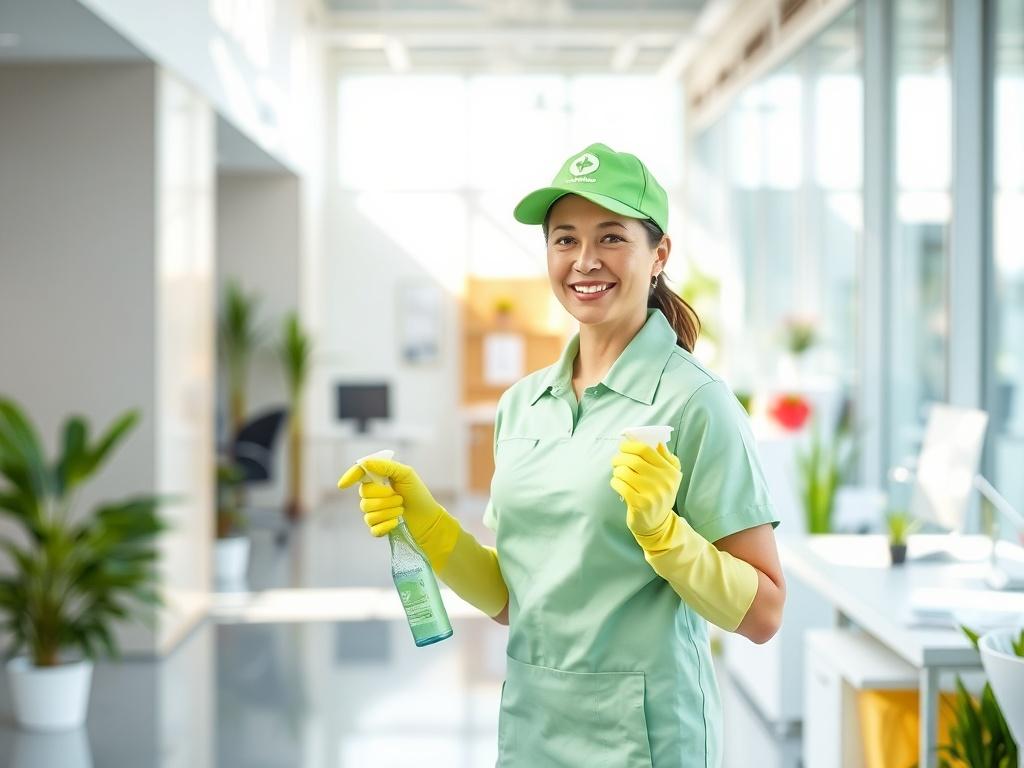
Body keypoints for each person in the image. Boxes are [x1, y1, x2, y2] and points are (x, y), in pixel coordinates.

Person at [338, 143, 785, 767]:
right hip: (532, 728)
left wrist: (666, 537)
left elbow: (764, 614)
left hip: (647, 738)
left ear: (659, 254)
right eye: (565, 239)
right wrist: (430, 526)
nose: (584, 261)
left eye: (611, 238)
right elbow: (514, 598)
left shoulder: (695, 403)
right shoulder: (522, 405)